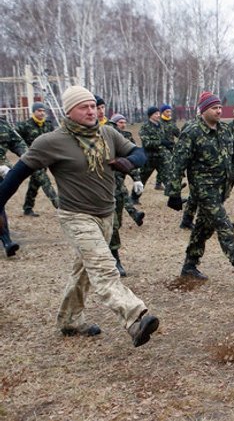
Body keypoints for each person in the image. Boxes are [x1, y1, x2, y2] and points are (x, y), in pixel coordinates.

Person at [0, 85, 159, 346]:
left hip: (105, 215)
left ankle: (69, 320)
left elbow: (139, 152)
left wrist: (129, 163)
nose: (91, 111)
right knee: (104, 270)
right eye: (83, 107)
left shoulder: (107, 133)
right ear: (69, 111)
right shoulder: (50, 142)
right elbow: (16, 176)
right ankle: (135, 317)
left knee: (83, 271)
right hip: (76, 217)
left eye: (93, 106)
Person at [165, 91, 234, 289]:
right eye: (214, 108)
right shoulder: (192, 131)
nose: (219, 111)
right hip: (204, 190)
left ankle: (189, 266)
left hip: (221, 189)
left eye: (220, 107)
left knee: (203, 229)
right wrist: (174, 192)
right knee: (224, 227)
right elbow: (177, 163)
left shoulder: (224, 129)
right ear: (204, 110)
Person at [107, 113, 146, 277]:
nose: (123, 124)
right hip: (100, 186)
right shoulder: (100, 133)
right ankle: (114, 260)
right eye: (120, 122)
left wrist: (136, 179)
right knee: (113, 224)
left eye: (124, 122)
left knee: (117, 222)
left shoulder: (125, 137)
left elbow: (134, 156)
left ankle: (135, 215)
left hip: (118, 182)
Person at [15, 102, 59, 216]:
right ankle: (59, 205)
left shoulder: (48, 125)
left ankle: (27, 208)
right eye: (39, 110)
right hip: (32, 159)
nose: (42, 113)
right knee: (45, 181)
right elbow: (14, 138)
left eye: (43, 111)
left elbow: (54, 139)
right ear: (33, 112)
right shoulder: (25, 125)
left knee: (34, 184)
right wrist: (24, 151)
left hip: (46, 159)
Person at [0, 117, 28, 256]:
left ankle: (6, 241)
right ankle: (6, 241)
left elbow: (17, 142)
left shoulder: (3, 125)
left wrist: (26, 155)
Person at [135, 106, 171, 202]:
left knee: (167, 176)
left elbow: (164, 138)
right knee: (142, 179)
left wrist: (168, 145)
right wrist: (161, 142)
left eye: (158, 113)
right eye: (155, 114)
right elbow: (146, 143)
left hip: (161, 157)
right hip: (149, 158)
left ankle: (174, 198)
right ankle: (134, 198)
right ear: (150, 115)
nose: (158, 115)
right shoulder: (145, 127)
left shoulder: (160, 125)